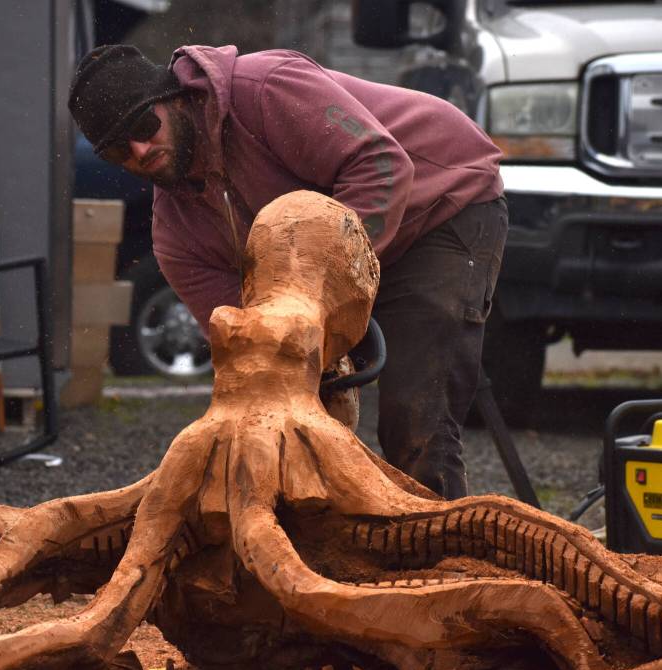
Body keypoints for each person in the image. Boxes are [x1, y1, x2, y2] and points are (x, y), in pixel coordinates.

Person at [68, 44, 507, 500]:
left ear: (176, 98)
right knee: (291, 418)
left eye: (144, 126)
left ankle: (441, 552)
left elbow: (381, 166)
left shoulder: (263, 89)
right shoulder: (177, 239)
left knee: (415, 412)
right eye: (120, 148)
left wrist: (320, 294)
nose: (140, 149)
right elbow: (250, 346)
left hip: (439, 198)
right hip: (354, 241)